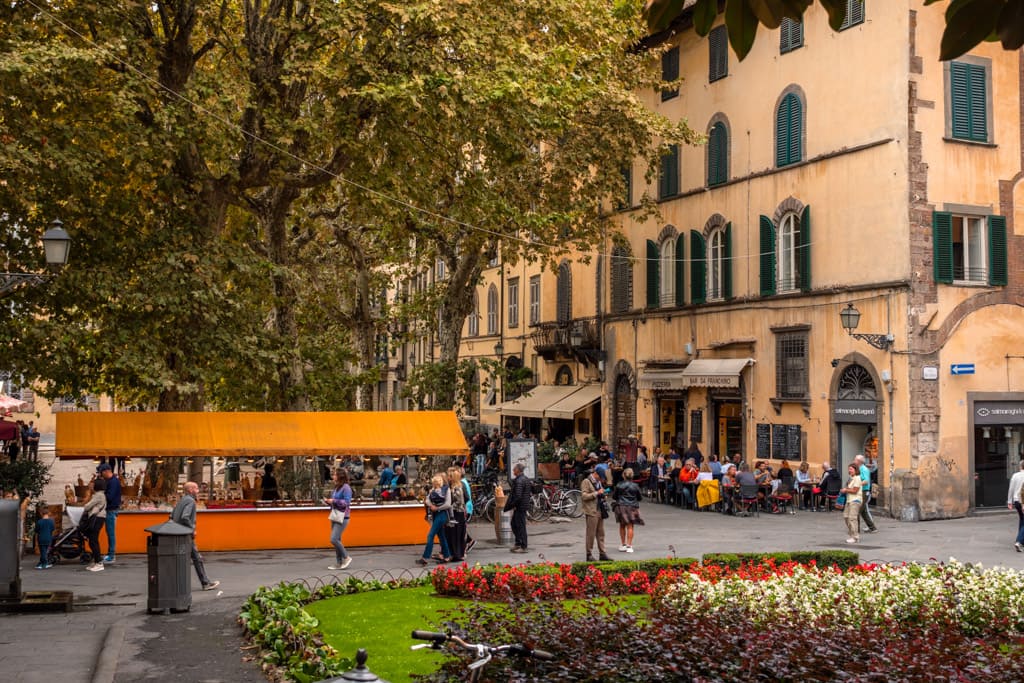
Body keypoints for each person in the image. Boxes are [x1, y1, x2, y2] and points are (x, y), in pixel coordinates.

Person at [170, 481, 220, 590]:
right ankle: (205, 583)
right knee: (197, 558)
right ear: (191, 490)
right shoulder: (191, 501)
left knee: (180, 558)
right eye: (197, 489)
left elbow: (172, 516)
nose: (198, 491)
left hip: (178, 532)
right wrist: (192, 529)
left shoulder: (181, 500)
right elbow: (185, 517)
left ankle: (172, 583)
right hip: (186, 533)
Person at [580, 458, 611, 562]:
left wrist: (603, 495)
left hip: (599, 510)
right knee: (591, 534)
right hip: (591, 511)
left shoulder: (598, 483)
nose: (602, 480)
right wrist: (596, 493)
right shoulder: (586, 481)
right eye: (601, 478)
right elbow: (584, 496)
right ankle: (589, 554)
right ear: (596, 474)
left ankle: (602, 553)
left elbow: (599, 493)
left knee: (601, 533)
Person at [418, 474, 452, 565]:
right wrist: (431, 505)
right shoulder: (433, 490)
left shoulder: (447, 490)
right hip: (437, 514)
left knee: (430, 535)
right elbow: (427, 500)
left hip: (442, 514)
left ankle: (425, 557)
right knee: (441, 536)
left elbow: (448, 504)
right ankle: (447, 556)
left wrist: (436, 507)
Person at [325, 468, 353, 570]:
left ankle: (346, 557)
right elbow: (335, 501)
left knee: (334, 539)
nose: (333, 476)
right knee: (338, 539)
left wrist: (334, 501)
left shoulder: (346, 488)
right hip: (335, 515)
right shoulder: (337, 487)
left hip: (343, 516)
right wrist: (329, 501)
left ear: (340, 476)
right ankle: (339, 563)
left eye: (335, 475)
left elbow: (347, 503)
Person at [613, 468, 643, 552]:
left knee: (622, 525)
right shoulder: (635, 486)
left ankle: (623, 544)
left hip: (621, 506)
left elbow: (614, 496)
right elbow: (640, 498)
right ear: (632, 475)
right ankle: (629, 546)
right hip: (632, 506)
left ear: (623, 475)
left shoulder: (619, 485)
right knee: (630, 526)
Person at [504, 462, 531, 553]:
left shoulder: (519, 481)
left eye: (514, 469)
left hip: (520, 506)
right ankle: (518, 543)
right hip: (522, 505)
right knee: (515, 524)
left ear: (518, 470)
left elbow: (518, 496)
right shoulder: (525, 479)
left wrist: (513, 505)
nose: (513, 470)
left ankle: (523, 546)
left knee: (520, 526)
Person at [82, 478, 107, 572]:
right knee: (93, 540)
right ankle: (97, 561)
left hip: (97, 518)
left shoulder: (98, 495)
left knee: (93, 540)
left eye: (93, 484)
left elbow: (88, 506)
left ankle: (99, 563)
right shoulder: (99, 494)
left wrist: (83, 506)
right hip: (98, 518)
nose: (91, 486)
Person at [98, 464, 121, 563]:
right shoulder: (112, 481)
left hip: (111, 510)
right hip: (111, 510)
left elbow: (109, 497)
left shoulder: (113, 482)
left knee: (111, 533)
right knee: (110, 533)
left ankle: (111, 556)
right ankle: (110, 554)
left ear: (106, 471)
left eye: (101, 472)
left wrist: (100, 496)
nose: (100, 474)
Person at [445, 467, 467, 562]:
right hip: (459, 513)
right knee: (457, 534)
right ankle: (457, 553)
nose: (447, 478)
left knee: (455, 534)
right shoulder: (456, 486)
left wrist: (448, 506)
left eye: (449, 476)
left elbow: (458, 502)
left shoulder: (456, 488)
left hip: (457, 513)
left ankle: (456, 554)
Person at [854, 454, 878, 533]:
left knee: (856, 511)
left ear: (858, 461)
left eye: (855, 460)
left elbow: (866, 481)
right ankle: (873, 528)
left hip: (864, 491)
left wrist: (857, 484)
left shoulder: (863, 469)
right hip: (862, 491)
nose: (854, 461)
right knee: (863, 512)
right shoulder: (860, 468)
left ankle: (855, 530)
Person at [841, 464, 864, 544]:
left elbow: (855, 491)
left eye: (851, 469)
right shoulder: (851, 478)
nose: (849, 470)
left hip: (855, 500)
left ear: (855, 470)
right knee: (846, 516)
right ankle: (852, 534)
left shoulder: (857, 478)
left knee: (852, 518)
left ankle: (855, 537)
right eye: (849, 469)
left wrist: (845, 490)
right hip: (849, 500)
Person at [1007, 459, 1024, 552]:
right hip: (1023, 501)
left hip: (1017, 501)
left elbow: (1011, 489)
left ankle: (1021, 539)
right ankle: (1019, 541)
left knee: (1022, 519)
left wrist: (1009, 501)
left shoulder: (1015, 475)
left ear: (1020, 467)